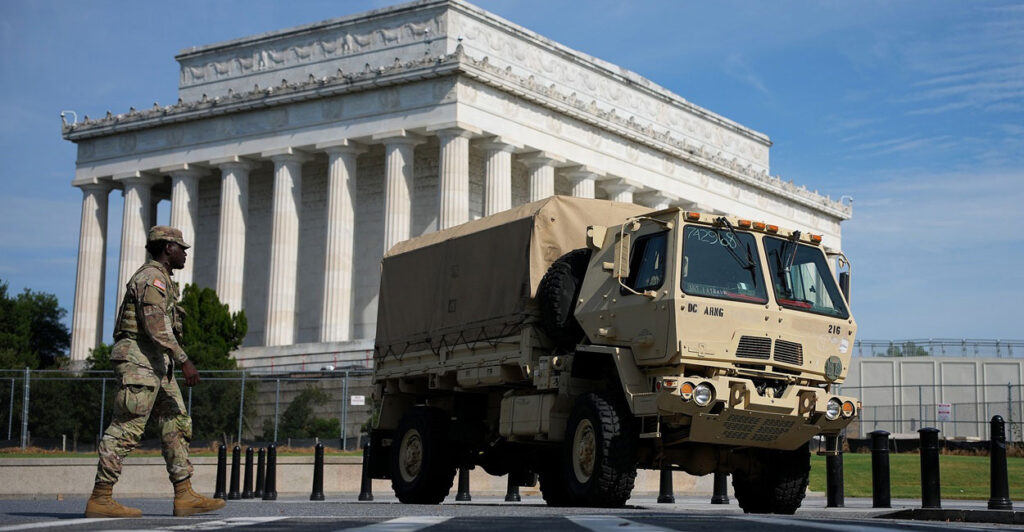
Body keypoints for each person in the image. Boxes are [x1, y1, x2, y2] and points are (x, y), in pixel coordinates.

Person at [85, 226, 226, 518]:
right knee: (127, 427)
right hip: (139, 363)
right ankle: (101, 497)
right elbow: (154, 325)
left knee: (176, 423)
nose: (185, 253)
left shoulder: (163, 280)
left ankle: (184, 495)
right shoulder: (152, 277)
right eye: (181, 248)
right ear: (166, 248)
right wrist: (185, 360)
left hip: (158, 365)